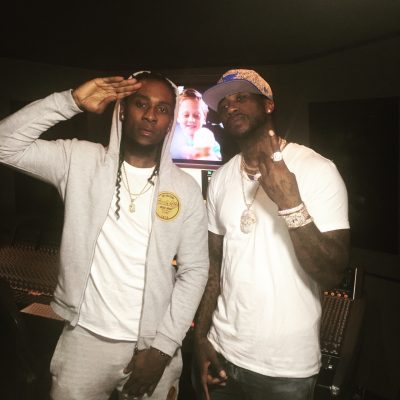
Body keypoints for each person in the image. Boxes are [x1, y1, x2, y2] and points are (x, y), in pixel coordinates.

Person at [0, 72, 209, 400]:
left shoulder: (185, 189)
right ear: (122, 110)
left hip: (153, 344)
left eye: (162, 109)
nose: (150, 115)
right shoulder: (79, 160)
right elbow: (4, 144)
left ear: (171, 121)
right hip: (84, 339)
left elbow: (194, 271)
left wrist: (163, 349)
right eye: (141, 104)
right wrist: (70, 101)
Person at [192, 69, 350, 400]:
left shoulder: (318, 169)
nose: (231, 107)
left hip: (285, 369)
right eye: (224, 103)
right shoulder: (220, 179)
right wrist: (201, 337)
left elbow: (332, 273)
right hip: (222, 351)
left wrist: (291, 204)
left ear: (268, 105)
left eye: (241, 97)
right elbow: (214, 268)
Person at [170, 88, 221, 161]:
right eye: (186, 115)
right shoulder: (172, 139)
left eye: (196, 116)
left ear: (204, 119)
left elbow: (217, 162)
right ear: (177, 117)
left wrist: (207, 154)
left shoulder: (210, 140)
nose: (191, 120)